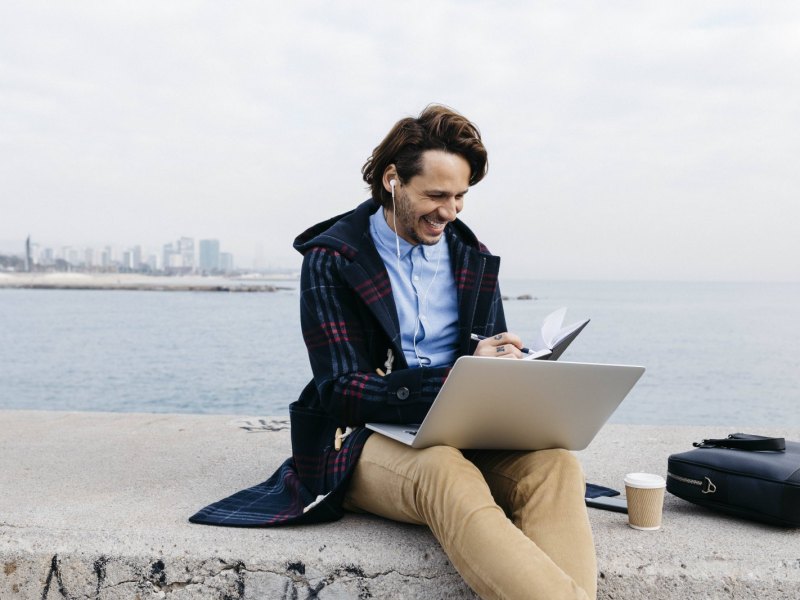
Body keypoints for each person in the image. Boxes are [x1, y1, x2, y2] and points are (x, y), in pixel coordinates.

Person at [190, 105, 597, 600]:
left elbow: (481, 359)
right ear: (392, 180)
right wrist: (456, 379)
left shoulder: (471, 255)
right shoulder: (333, 259)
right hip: (360, 439)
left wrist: (510, 364)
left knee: (557, 465)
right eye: (436, 195)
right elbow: (341, 392)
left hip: (463, 431)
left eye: (461, 196)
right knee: (443, 469)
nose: (449, 211)